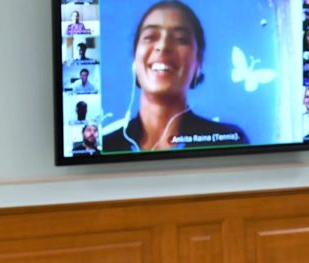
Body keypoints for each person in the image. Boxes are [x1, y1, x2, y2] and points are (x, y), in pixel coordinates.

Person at [103, 0, 249, 152]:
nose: (163, 46)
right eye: (150, 36)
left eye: (180, 39)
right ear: (135, 59)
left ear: (198, 63)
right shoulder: (105, 146)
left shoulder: (228, 140)